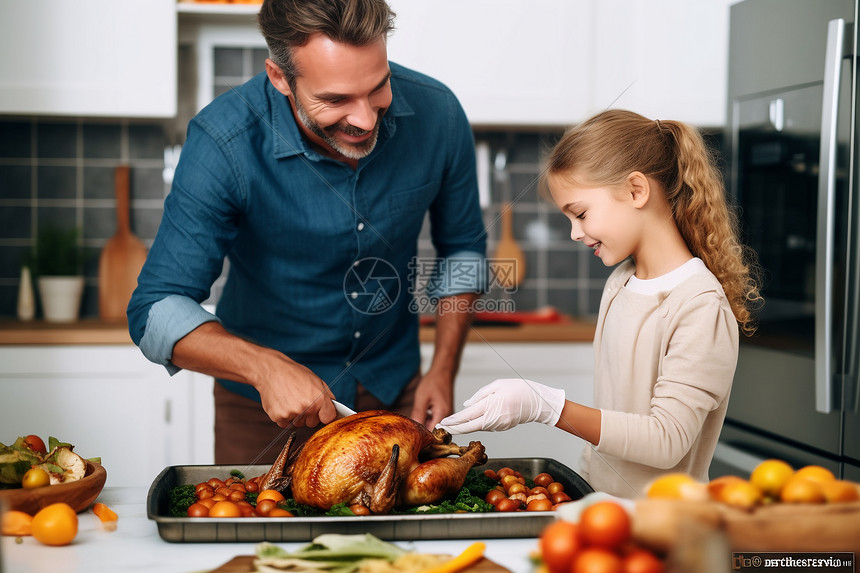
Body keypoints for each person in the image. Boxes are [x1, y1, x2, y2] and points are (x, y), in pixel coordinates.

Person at [127, 0, 486, 465]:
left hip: (397, 396)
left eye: (379, 88)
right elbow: (155, 308)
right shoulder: (223, 142)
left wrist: (442, 369)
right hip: (265, 413)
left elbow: (462, 251)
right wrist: (263, 367)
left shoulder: (439, 114)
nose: (367, 119)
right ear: (280, 78)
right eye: (336, 100)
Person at [439, 109, 762, 498]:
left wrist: (548, 407)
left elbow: (667, 441)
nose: (575, 233)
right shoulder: (621, 282)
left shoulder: (699, 305)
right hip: (602, 504)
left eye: (580, 214)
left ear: (636, 191)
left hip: (662, 524)